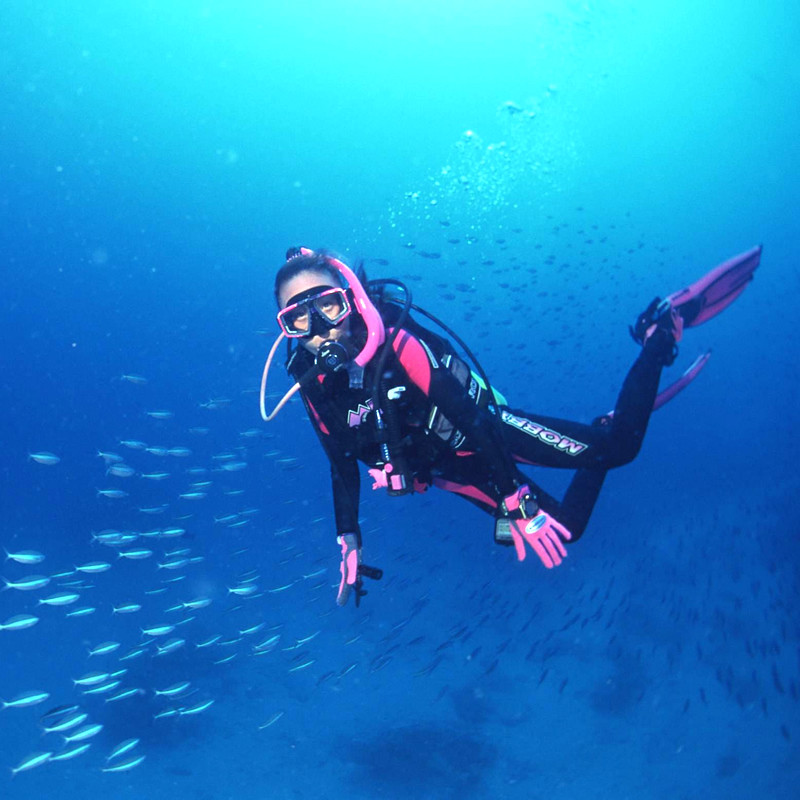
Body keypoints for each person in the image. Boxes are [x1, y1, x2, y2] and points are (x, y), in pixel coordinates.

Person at [260, 245, 761, 607]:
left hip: (487, 433)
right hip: (454, 471)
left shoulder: (395, 345)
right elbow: (340, 461)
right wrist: (349, 537)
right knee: (566, 532)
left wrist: (518, 502)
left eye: (327, 305)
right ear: (286, 328)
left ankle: (661, 329)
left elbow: (474, 421)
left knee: (622, 448)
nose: (320, 330)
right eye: (298, 319)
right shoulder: (311, 383)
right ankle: (600, 426)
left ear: (349, 300)